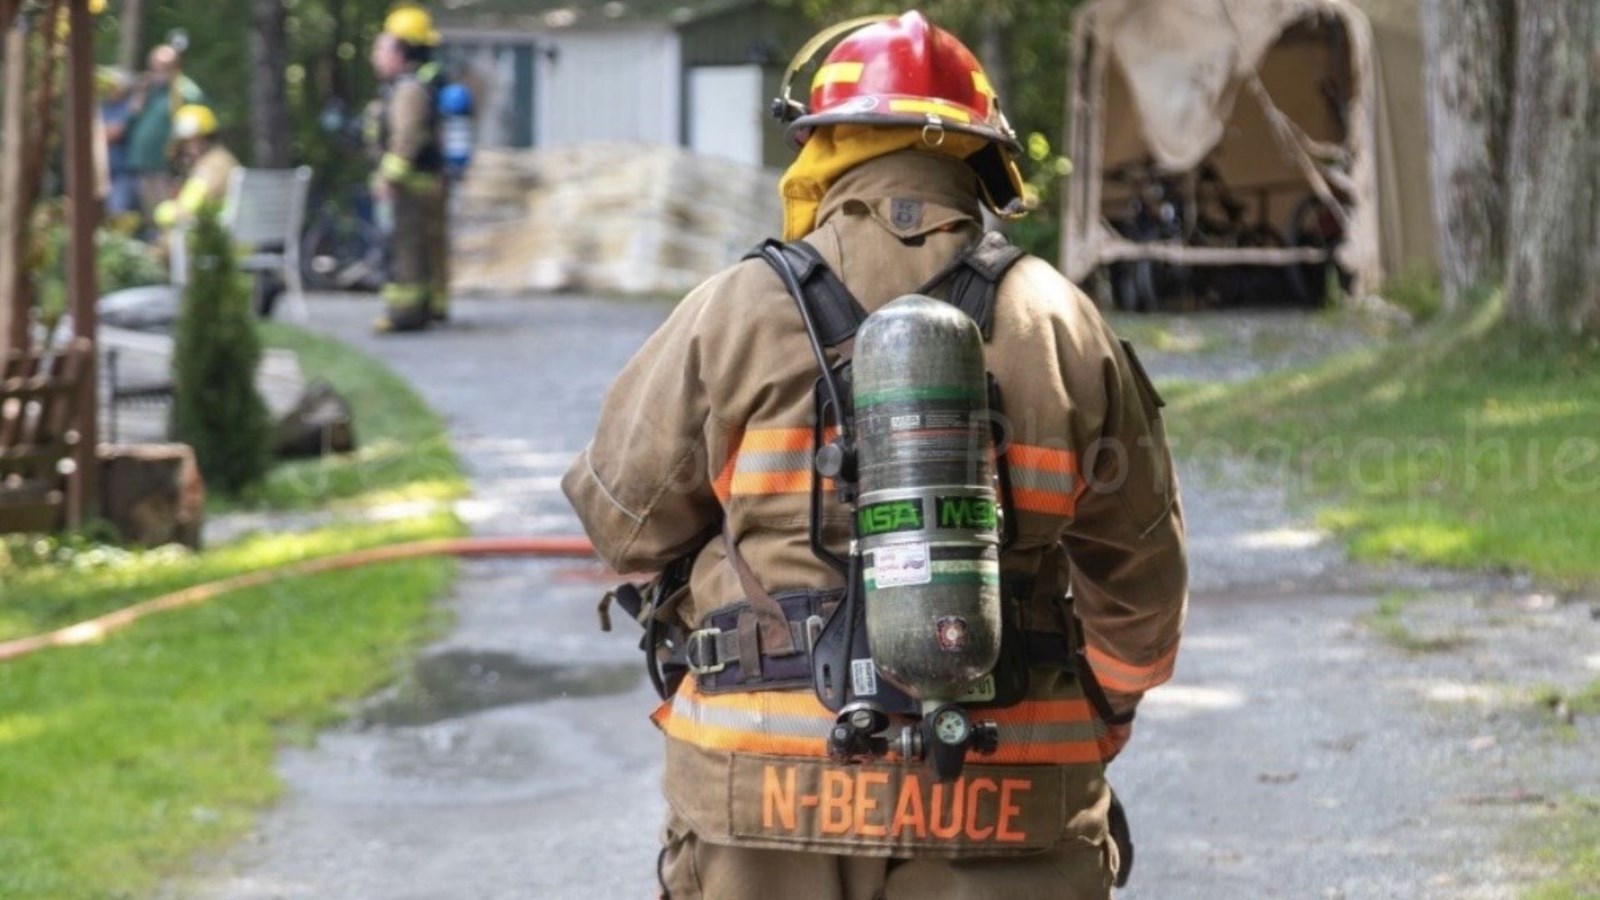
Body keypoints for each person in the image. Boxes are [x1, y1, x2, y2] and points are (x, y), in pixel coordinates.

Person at [563, 12, 1187, 899]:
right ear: (982, 162)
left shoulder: (734, 310)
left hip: (762, 806)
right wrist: (1101, 717)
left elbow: (623, 528)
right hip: (1011, 801)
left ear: (822, 148)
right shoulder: (1059, 321)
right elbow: (1144, 601)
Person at [367, 5, 449, 333]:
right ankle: (424, 308)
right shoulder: (410, 86)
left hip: (409, 186)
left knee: (406, 251)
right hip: (419, 182)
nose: (376, 55)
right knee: (419, 249)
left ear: (402, 51)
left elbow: (405, 140)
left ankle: (406, 314)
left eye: (382, 47)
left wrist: (388, 177)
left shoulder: (407, 90)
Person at [125, 44, 205, 230]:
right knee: (152, 218)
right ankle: (159, 254)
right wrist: (138, 98)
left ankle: (171, 255)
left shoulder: (184, 91)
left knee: (170, 217)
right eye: (154, 66)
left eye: (163, 67)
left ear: (176, 67)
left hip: (167, 166)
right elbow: (130, 122)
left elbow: (199, 122)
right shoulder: (148, 91)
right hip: (143, 164)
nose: (157, 71)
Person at [152, 104, 238, 232]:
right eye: (185, 142)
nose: (187, 148)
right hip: (234, 235)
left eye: (193, 141)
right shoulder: (224, 158)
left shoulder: (210, 166)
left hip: (220, 239)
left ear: (207, 138)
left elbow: (189, 209)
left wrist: (162, 212)